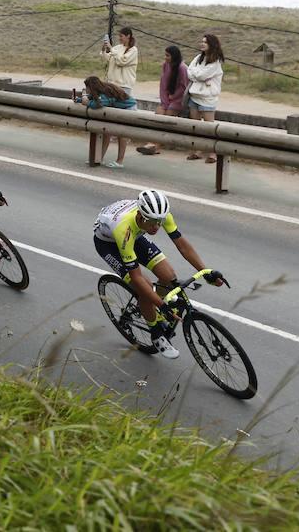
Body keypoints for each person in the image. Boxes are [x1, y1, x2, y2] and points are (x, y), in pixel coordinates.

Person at [92, 188, 225, 359]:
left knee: (169, 276)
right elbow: (137, 278)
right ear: (140, 215)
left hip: (136, 235)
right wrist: (162, 305)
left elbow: (182, 245)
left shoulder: (159, 215)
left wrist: (205, 272)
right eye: (152, 222)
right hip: (109, 244)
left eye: (159, 221)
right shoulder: (123, 229)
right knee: (144, 289)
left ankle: (155, 309)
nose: (156, 227)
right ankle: (156, 334)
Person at [97, 28, 139, 168]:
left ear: (128, 36)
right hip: (111, 87)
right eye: (119, 36)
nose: (120, 38)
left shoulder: (133, 50)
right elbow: (109, 59)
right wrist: (104, 50)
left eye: (121, 36)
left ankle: (120, 160)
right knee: (107, 124)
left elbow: (121, 61)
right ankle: (99, 157)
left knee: (122, 127)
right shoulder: (117, 48)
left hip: (123, 88)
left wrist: (111, 49)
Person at [137, 45, 189, 156]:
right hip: (167, 98)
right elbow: (163, 85)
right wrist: (165, 101)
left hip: (178, 100)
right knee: (159, 114)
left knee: (167, 117)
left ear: (174, 56)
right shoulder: (165, 65)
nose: (165, 58)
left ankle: (156, 146)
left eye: (168, 55)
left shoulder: (182, 68)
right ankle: (152, 143)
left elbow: (183, 87)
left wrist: (173, 97)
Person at [185, 34, 225, 164]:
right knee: (196, 126)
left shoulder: (215, 61)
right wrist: (197, 75)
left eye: (205, 43)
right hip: (194, 96)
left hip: (207, 98)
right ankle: (198, 150)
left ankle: (213, 152)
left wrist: (196, 75)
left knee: (209, 127)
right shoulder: (199, 57)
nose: (202, 44)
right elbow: (189, 71)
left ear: (212, 45)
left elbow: (201, 75)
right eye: (202, 42)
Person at [81, 76, 134, 168]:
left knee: (121, 134)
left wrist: (87, 103)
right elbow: (92, 99)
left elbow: (100, 104)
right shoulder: (100, 90)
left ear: (92, 87)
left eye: (87, 87)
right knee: (106, 132)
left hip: (128, 109)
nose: (86, 89)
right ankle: (99, 158)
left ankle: (119, 161)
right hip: (118, 109)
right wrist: (79, 100)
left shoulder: (105, 92)